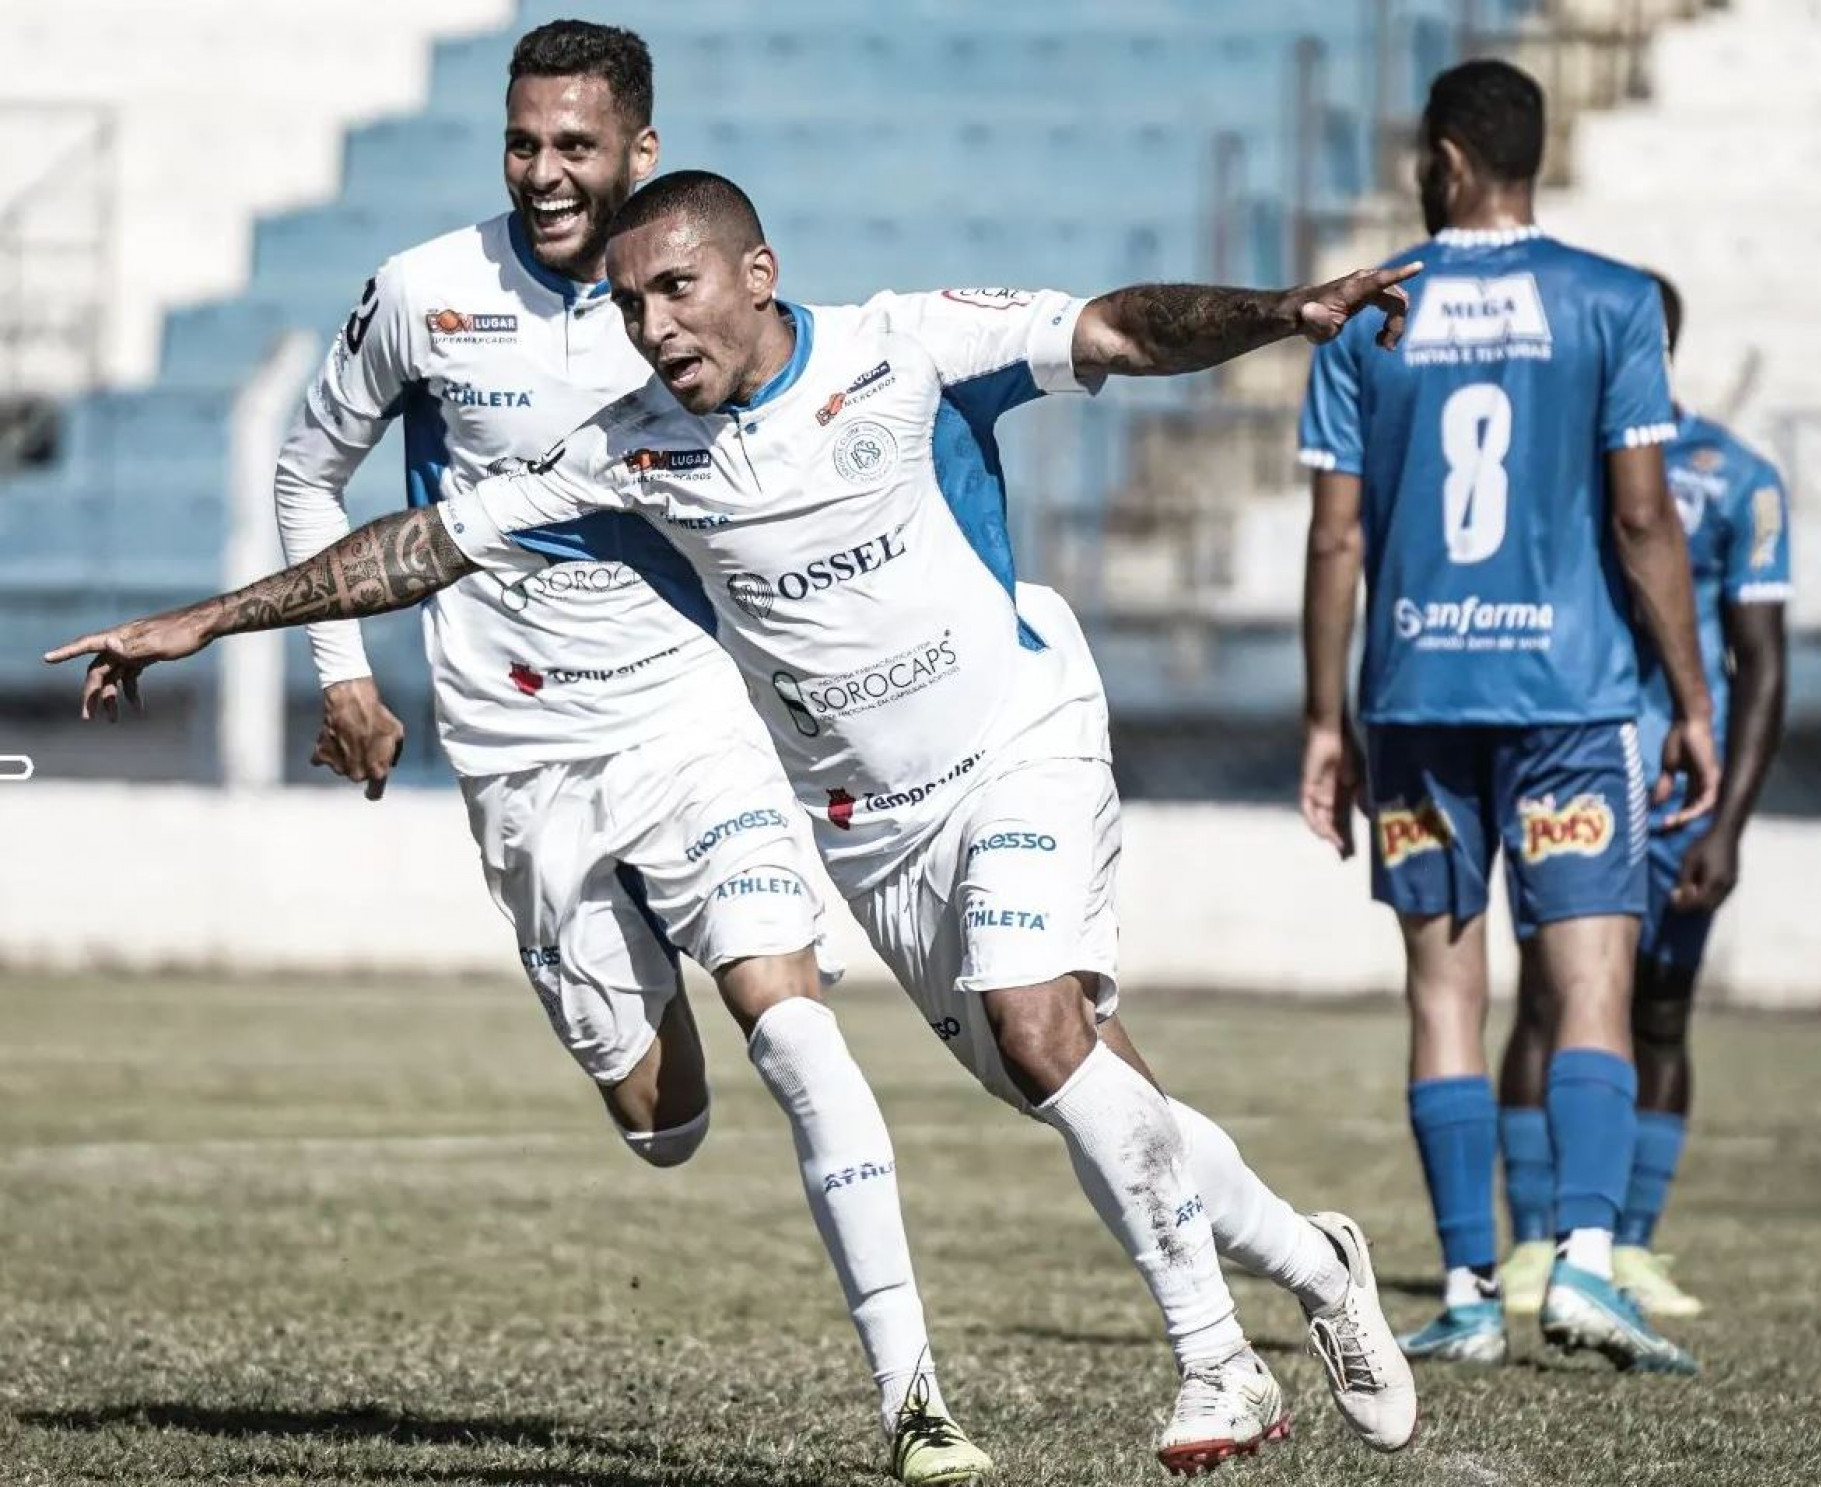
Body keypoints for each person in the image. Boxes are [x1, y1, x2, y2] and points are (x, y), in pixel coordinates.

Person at [50, 169, 1422, 1476]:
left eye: (678, 289)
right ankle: (1316, 1263)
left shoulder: (904, 348)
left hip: (1019, 738)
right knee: (1071, 1079)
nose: (653, 326)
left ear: (756, 274)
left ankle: (1214, 1359)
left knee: (1033, 1021)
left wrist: (1280, 311)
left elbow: (1117, 327)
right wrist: (207, 620)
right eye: (628, 304)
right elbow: (420, 549)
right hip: (870, 829)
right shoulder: (629, 452)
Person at [241, 23, 986, 1482]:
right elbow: (304, 468)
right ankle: (636, 963)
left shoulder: (686, 301)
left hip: (689, 722)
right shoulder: (423, 294)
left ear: (640, 151)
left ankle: (916, 1399)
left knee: (793, 1025)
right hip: (520, 755)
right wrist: (342, 673)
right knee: (663, 1123)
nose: (542, 173)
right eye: (522, 143)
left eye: (574, 146)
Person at [1294, 59, 1716, 1375]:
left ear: (1445, 159)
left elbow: (1335, 538)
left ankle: (1470, 1287)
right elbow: (1642, 518)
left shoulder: (1368, 310)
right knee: (1588, 981)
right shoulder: (1611, 300)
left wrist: (1324, 717)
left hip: (1416, 699)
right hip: (1570, 699)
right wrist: (1690, 698)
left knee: (1442, 992)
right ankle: (1582, 1260)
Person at [1494, 273, 1793, 1320]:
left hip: (1676, 790)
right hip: (1563, 757)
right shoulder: (1542, 462)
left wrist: (1729, 823)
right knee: (1548, 996)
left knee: (1660, 1007)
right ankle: (1532, 1243)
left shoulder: (1738, 477)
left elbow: (1763, 660)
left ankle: (1630, 1246)